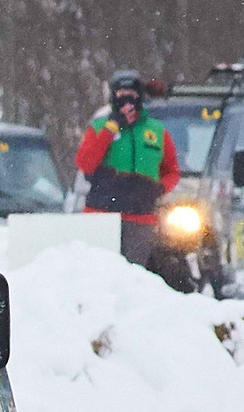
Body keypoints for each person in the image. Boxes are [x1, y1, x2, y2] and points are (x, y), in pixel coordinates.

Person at [75, 69, 180, 269]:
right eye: (121, 96)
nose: (127, 102)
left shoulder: (156, 131)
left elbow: (172, 170)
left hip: (140, 217)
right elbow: (85, 163)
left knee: (134, 276)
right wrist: (110, 129)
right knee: (98, 272)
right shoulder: (98, 127)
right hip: (101, 216)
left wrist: (159, 188)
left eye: (131, 96)